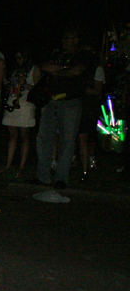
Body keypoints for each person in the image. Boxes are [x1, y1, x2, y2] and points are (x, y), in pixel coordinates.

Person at [34, 29, 94, 188]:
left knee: (67, 141)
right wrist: (65, 70)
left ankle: (61, 178)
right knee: (44, 138)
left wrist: (58, 71)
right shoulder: (56, 54)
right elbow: (45, 66)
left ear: (76, 39)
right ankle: (43, 176)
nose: (64, 41)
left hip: (70, 102)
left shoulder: (84, 55)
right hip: (50, 100)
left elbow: (77, 71)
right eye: (63, 38)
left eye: (67, 38)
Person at [0, 48, 40, 175]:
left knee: (24, 136)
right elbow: (9, 85)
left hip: (26, 105)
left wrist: (25, 84)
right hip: (13, 102)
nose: (18, 60)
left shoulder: (34, 69)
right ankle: (8, 165)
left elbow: (39, 89)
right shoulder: (15, 69)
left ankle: (22, 167)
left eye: (20, 57)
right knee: (12, 136)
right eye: (16, 58)